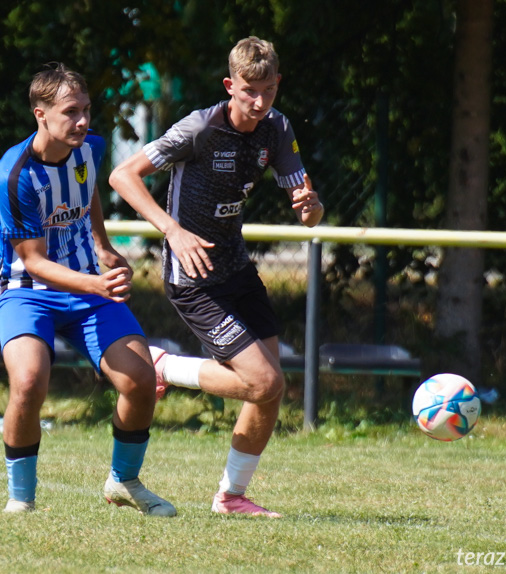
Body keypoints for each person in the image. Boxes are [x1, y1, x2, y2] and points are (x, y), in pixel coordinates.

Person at [109, 37, 324, 518]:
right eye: (249, 90)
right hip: (195, 278)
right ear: (230, 85)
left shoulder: (277, 129)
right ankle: (165, 368)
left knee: (271, 389)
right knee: (263, 382)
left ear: (277, 85)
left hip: (238, 270)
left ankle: (231, 496)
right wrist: (173, 231)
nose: (259, 101)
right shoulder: (200, 128)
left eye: (268, 89)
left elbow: (308, 213)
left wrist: (312, 209)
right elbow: (123, 176)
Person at [0, 62, 175, 517]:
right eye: (71, 112)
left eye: (87, 110)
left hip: (87, 287)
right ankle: (21, 498)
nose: (83, 121)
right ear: (41, 114)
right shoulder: (12, 177)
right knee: (30, 381)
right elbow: (32, 261)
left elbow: (87, 190)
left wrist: (103, 246)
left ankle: (124, 482)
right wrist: (98, 281)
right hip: (25, 289)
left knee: (141, 381)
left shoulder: (89, 148)